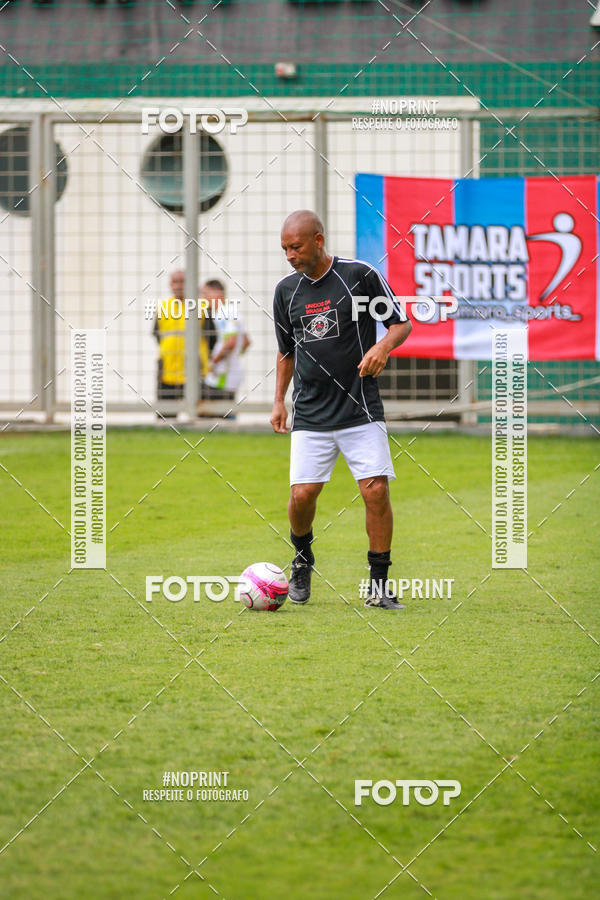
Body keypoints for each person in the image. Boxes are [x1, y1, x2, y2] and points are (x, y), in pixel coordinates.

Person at [270, 210, 412, 610]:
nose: (290, 255)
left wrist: (382, 346)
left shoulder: (358, 276)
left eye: (295, 247)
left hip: (360, 407)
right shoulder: (285, 291)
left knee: (376, 491)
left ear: (318, 240)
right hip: (311, 412)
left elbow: (401, 324)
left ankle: (379, 586)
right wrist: (278, 400)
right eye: (284, 249)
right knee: (302, 496)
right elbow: (286, 352)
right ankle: (302, 561)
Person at [153, 269, 210, 416]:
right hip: (167, 368)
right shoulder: (163, 307)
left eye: (182, 281)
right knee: (165, 415)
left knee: (200, 415)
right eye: (175, 282)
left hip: (195, 368)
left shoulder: (202, 306)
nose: (178, 286)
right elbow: (157, 334)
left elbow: (211, 338)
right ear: (170, 285)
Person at [200, 279, 251, 404]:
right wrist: (234, 356)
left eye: (206, 294)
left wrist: (214, 362)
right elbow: (246, 341)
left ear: (217, 294)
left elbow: (231, 342)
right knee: (227, 408)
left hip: (223, 374)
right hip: (232, 372)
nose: (203, 299)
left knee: (216, 413)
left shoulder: (223, 313)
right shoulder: (233, 311)